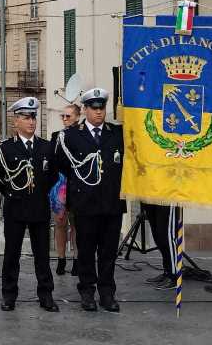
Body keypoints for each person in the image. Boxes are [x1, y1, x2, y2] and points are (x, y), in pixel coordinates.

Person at [56, 88, 126, 312]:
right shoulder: (71, 136)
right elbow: (63, 167)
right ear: (85, 110)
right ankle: (87, 292)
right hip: (85, 204)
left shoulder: (117, 134)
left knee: (108, 252)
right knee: (85, 251)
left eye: (102, 108)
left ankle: (107, 293)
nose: (99, 112)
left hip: (111, 203)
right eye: (94, 108)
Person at [0, 97, 59, 312]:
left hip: (39, 207)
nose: (31, 122)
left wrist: (39, 192)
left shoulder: (46, 147)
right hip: (16, 208)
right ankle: (9, 295)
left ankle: (46, 295)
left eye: (33, 117)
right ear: (16, 121)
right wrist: (12, 193)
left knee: (42, 255)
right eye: (26, 118)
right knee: (12, 254)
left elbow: (52, 175)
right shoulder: (6, 149)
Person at [50, 103, 80, 276]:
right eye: (63, 116)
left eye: (68, 116)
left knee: (76, 224)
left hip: (76, 182)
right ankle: (61, 259)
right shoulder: (56, 136)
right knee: (60, 223)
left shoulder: (83, 135)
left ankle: (77, 259)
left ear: (77, 116)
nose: (65, 119)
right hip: (60, 183)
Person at [142, 203, 179, 289]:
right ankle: (167, 272)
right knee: (158, 236)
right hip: (151, 195)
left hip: (167, 195)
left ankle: (173, 276)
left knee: (167, 236)